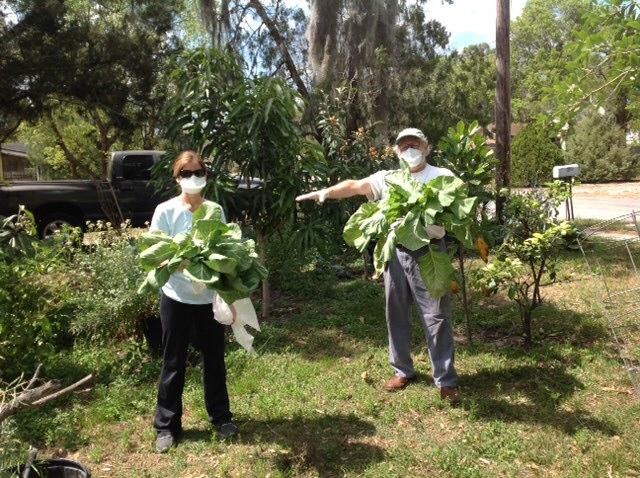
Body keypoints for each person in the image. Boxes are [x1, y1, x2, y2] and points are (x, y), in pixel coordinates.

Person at [296, 128, 460, 406]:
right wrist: (326, 191)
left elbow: (458, 207)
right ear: (396, 151)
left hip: (429, 252)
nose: (410, 149)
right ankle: (403, 370)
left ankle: (446, 379)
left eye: (415, 144)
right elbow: (355, 185)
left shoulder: (442, 177)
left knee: (437, 315)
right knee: (395, 311)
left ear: (426, 147)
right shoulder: (388, 178)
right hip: (395, 251)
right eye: (404, 145)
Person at [150, 150, 238, 453]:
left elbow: (225, 251)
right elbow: (156, 252)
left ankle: (221, 417)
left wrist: (228, 294)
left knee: (214, 359)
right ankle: (167, 427)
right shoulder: (165, 211)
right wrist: (180, 261)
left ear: (205, 175)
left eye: (197, 171)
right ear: (177, 178)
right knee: (173, 361)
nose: (192, 178)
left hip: (208, 299)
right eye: (185, 173)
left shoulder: (214, 210)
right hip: (175, 297)